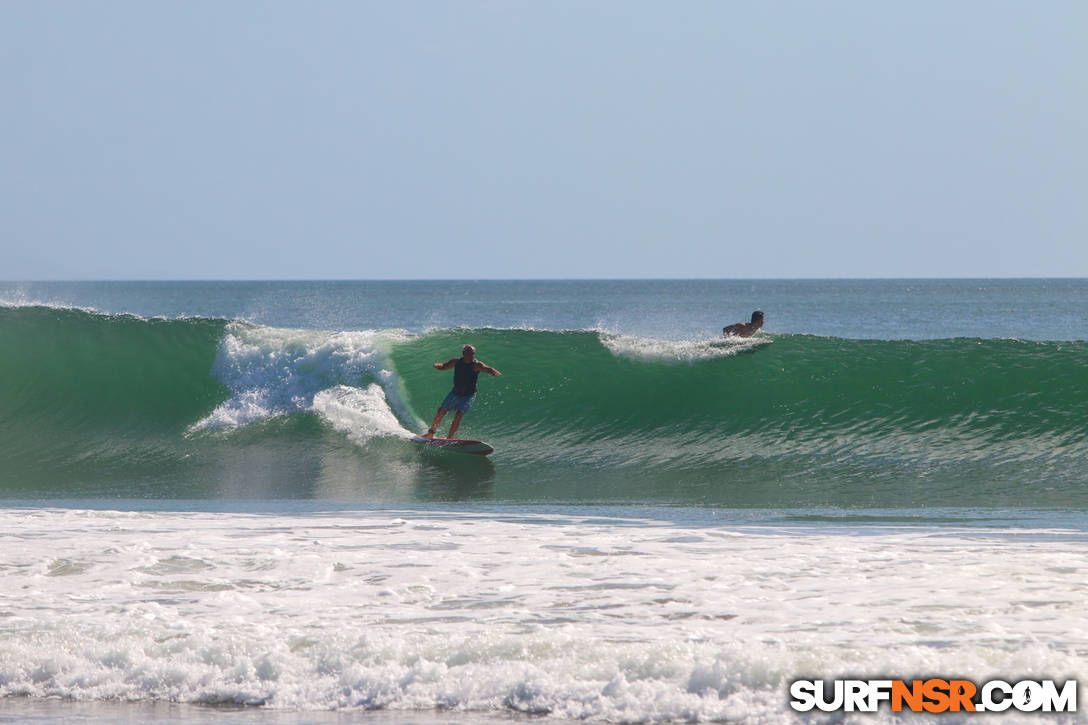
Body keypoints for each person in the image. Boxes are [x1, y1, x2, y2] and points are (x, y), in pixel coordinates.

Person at [422, 344, 502, 439]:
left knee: (459, 415)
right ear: (463, 353)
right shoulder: (456, 362)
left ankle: (449, 438)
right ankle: (431, 433)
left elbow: (488, 369)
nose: (471, 355)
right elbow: (444, 366)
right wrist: (437, 365)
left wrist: (495, 373)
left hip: (468, 395)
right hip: (455, 393)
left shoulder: (476, 364)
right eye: (469, 353)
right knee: (441, 411)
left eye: (473, 353)